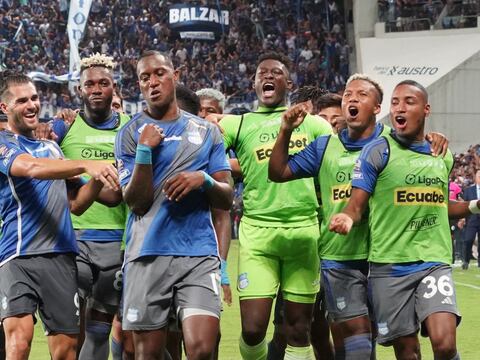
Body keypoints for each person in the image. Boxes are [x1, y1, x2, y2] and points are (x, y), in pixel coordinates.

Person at [329, 80, 471, 360]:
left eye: (408, 102)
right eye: (395, 102)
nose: (399, 108)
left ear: (426, 109)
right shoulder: (377, 151)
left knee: (444, 344)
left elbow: (439, 205)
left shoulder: (441, 156)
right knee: (408, 353)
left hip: (433, 261)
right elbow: (356, 204)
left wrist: (474, 206)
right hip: (389, 267)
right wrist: (346, 216)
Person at [115, 50, 233, 360]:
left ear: (175, 76)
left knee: (203, 349)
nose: (152, 82)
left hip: (197, 252)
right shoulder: (129, 134)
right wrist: (144, 152)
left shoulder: (207, 132)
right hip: (146, 254)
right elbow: (136, 203)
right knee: (148, 355)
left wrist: (204, 180)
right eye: (144, 78)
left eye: (159, 74)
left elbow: (227, 196)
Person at [221, 52, 332, 360]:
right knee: (253, 329)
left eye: (276, 72)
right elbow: (204, 143)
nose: (268, 76)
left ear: (289, 82)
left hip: (304, 232)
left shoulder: (316, 126)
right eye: (262, 73)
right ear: (254, 83)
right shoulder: (237, 124)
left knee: (299, 330)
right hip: (258, 233)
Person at [0, 71, 119, 360]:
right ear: (4, 107)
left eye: (34, 98)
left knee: (66, 350)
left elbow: (76, 203)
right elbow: (30, 168)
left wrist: (103, 175)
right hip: (19, 256)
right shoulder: (4, 145)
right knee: (19, 340)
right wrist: (86, 165)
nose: (31, 105)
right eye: (22, 101)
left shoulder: (53, 148)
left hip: (62, 257)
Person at [269, 75, 388, 359]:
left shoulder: (392, 144)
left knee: (388, 341)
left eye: (361, 94)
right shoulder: (324, 147)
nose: (352, 99)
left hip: (386, 256)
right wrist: (285, 130)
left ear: (377, 107)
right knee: (354, 337)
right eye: (348, 94)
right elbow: (278, 172)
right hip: (339, 257)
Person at [48, 53, 129, 360]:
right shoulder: (62, 128)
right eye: (89, 84)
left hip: (116, 242)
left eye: (103, 83)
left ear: (114, 88)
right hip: (73, 241)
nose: (96, 89)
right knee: (69, 332)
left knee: (99, 332)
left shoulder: (130, 129)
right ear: (79, 90)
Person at [460, 169, 480, 269]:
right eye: (479, 176)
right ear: (475, 178)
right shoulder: (468, 191)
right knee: (468, 240)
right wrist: (462, 219)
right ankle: (466, 261)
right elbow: (464, 206)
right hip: (472, 219)